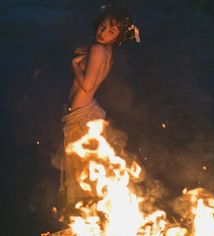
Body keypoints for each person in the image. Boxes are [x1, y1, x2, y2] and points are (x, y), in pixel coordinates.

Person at [61, 5, 140, 210]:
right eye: (102, 26)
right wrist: (81, 56)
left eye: (110, 31)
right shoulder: (106, 50)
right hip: (88, 111)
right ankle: (94, 212)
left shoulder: (97, 49)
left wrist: (74, 65)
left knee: (80, 171)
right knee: (87, 168)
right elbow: (91, 60)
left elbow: (87, 85)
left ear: (120, 35)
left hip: (81, 115)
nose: (102, 33)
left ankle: (84, 214)